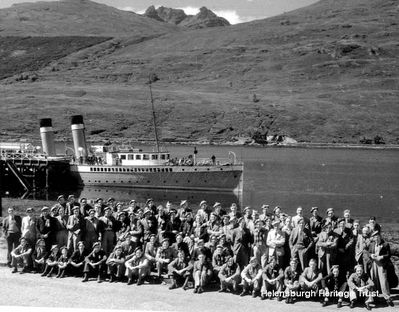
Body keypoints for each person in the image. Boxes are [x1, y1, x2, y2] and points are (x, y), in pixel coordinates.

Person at [368, 234, 394, 307]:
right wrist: (371, 255)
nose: (376, 238)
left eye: (377, 237)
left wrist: (381, 257)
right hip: (373, 264)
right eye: (374, 237)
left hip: (381, 264)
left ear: (380, 237)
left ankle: (387, 298)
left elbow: (388, 255)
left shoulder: (385, 244)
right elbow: (368, 252)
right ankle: (375, 297)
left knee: (383, 281)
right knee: (374, 280)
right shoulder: (371, 244)